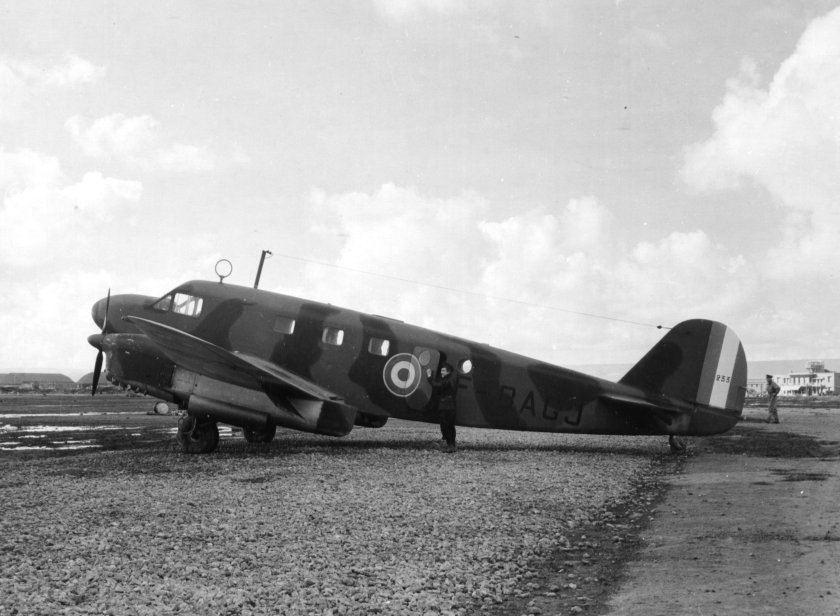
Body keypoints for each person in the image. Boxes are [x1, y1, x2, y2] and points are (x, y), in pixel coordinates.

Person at [428, 359, 459, 452]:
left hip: (446, 407)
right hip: (449, 407)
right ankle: (452, 445)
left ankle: (450, 446)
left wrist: (429, 377)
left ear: (448, 372)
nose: (441, 372)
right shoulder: (450, 379)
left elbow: (436, 385)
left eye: (443, 370)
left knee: (446, 427)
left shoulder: (447, 380)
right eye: (441, 370)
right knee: (450, 426)